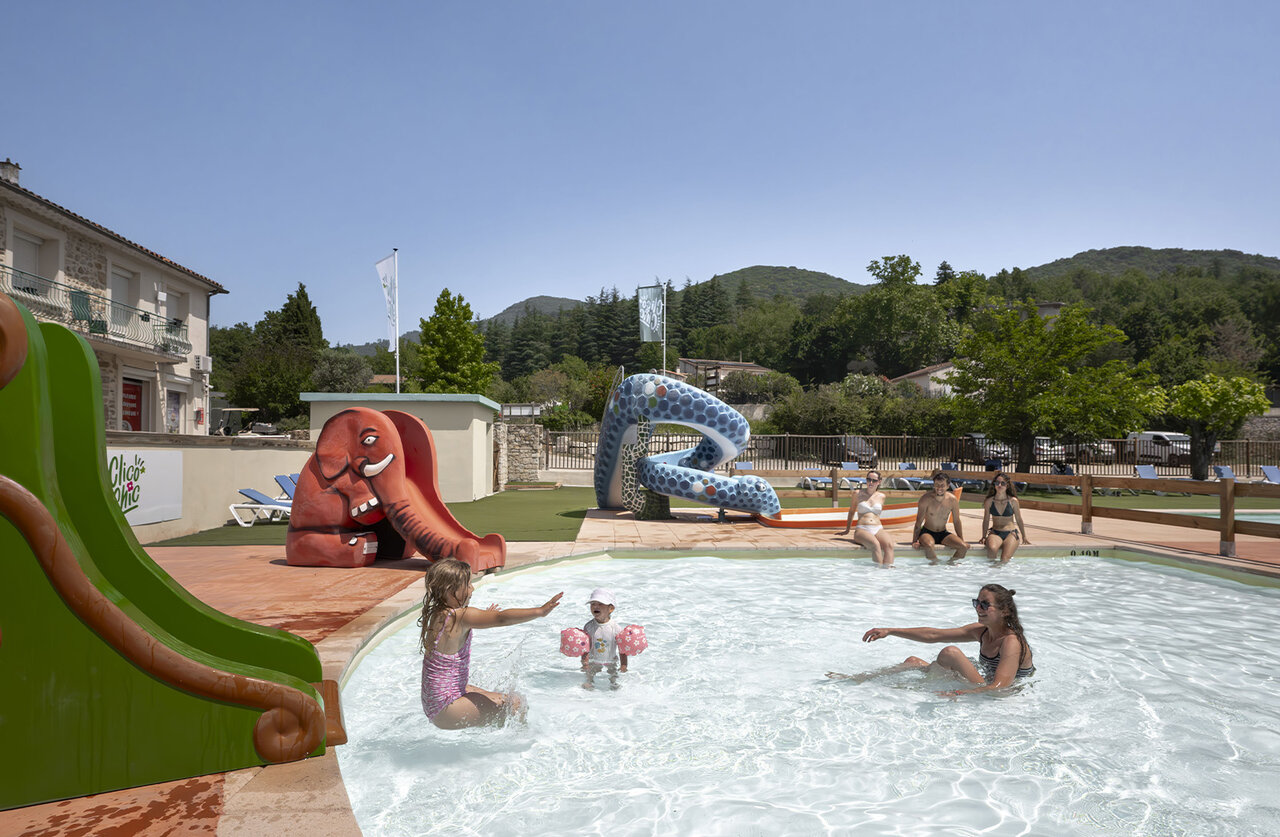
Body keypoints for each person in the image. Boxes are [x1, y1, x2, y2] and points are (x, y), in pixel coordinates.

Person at [419, 558, 563, 729]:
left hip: (435, 703)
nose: (472, 589)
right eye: (468, 584)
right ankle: (519, 747)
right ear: (451, 591)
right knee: (517, 703)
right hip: (448, 709)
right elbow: (501, 618)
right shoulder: (461, 616)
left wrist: (483, 616)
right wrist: (539, 611)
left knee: (502, 698)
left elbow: (461, 630)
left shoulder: (437, 613)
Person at [828, 583, 1035, 694]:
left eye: (984, 604)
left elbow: (1001, 688)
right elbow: (934, 635)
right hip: (986, 683)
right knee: (912, 662)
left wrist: (958, 693)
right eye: (976, 602)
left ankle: (896, 689)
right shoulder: (981, 631)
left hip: (1005, 693)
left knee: (950, 653)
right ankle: (860, 679)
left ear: (1005, 611)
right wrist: (890, 630)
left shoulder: (1011, 642)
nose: (978, 608)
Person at [839, 469, 895, 566]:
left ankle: (888, 572)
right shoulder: (857, 493)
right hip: (862, 529)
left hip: (878, 528)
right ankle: (877, 571)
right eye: (869, 479)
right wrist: (847, 530)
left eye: (874, 480)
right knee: (876, 545)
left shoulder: (882, 496)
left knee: (889, 545)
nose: (871, 482)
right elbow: (851, 511)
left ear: (879, 482)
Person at [912, 469, 968, 563]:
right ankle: (935, 566)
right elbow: (918, 522)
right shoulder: (925, 499)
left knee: (963, 547)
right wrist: (914, 540)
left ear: (948, 486)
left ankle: (949, 565)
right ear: (934, 485)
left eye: (942, 485)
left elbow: (956, 521)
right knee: (929, 546)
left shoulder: (952, 500)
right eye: (937, 485)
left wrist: (961, 539)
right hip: (927, 533)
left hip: (943, 533)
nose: (939, 488)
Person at [580, 587, 628, 689]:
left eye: (600, 603)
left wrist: (624, 665)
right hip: (594, 660)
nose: (595, 606)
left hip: (611, 660)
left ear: (611, 609)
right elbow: (585, 648)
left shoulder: (616, 628)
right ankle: (589, 682)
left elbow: (622, 650)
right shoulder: (588, 627)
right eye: (593, 604)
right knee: (590, 672)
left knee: (613, 674)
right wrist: (584, 663)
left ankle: (613, 684)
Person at [981, 471, 1030, 562]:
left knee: (1004, 558)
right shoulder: (989, 501)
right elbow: (986, 520)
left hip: (1011, 533)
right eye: (997, 483)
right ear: (994, 485)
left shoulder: (1013, 501)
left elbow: (1019, 519)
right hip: (995, 533)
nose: (999, 485)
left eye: (1002, 483)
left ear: (1007, 485)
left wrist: (1024, 536)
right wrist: (983, 536)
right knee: (992, 550)